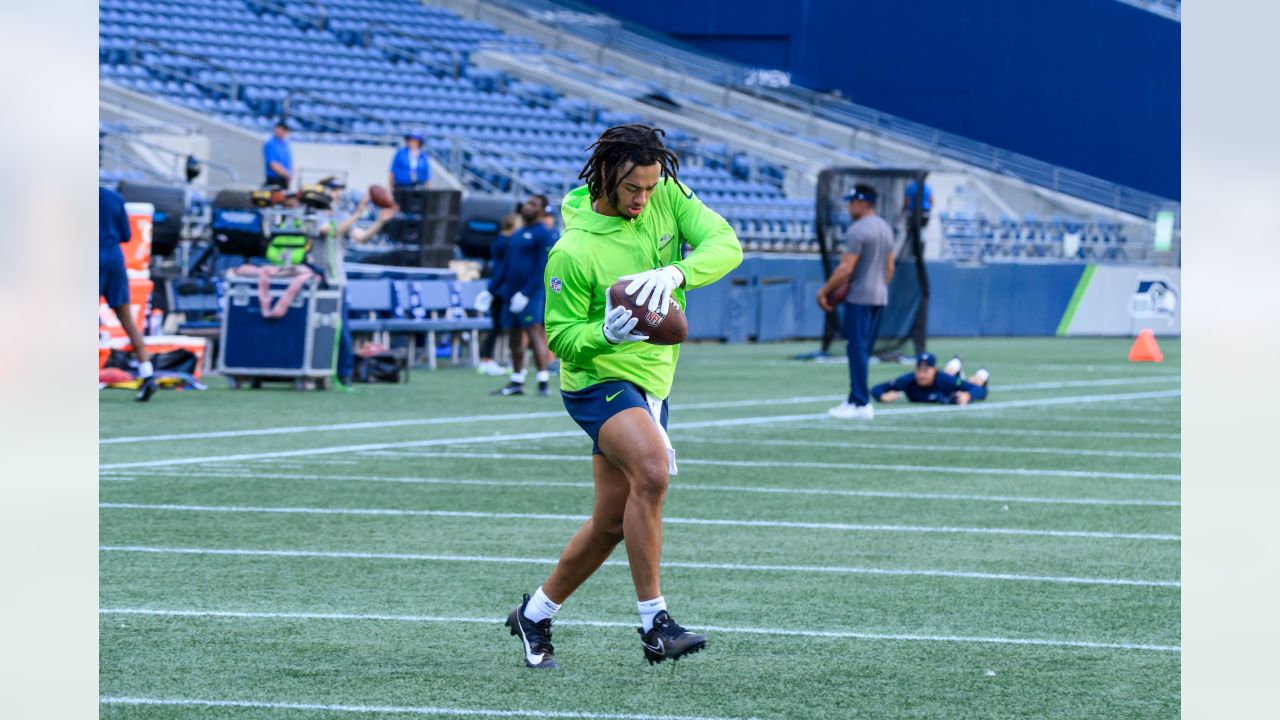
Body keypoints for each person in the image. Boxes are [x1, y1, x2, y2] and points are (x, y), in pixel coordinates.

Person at [505, 124, 742, 669]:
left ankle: (535, 614)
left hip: (652, 381)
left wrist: (677, 270)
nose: (644, 199)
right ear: (608, 178)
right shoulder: (572, 248)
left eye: (652, 187)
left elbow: (727, 245)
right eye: (634, 188)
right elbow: (561, 338)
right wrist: (607, 333)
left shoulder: (666, 196)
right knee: (654, 471)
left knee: (612, 522)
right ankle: (655, 624)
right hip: (597, 381)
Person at [818, 184, 896, 420]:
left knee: (856, 350)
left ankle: (861, 403)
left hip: (860, 297)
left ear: (863, 203)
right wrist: (880, 286)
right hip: (879, 296)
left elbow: (845, 268)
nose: (849, 207)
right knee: (862, 350)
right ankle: (854, 398)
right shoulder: (885, 227)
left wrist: (823, 291)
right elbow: (890, 267)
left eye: (852, 202)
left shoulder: (858, 229)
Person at [490, 195, 556, 397]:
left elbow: (543, 267)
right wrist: (491, 289)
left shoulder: (544, 234)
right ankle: (517, 381)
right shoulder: (518, 234)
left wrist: (527, 293)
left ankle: (543, 381)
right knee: (514, 337)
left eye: (533, 205)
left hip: (531, 294)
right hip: (511, 293)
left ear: (542, 210)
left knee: (534, 334)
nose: (528, 207)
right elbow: (505, 266)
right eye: (527, 203)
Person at [99, 186, 156, 402]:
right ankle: (147, 373)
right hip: (114, 258)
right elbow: (126, 235)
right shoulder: (114, 197)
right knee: (128, 322)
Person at [474, 212, 523, 377]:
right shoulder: (505, 243)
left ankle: (493, 359)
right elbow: (502, 269)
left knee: (500, 327)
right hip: (501, 290)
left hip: (500, 288)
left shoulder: (501, 241)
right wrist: (492, 289)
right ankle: (487, 359)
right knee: (497, 327)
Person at [873, 353, 990, 405]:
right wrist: (882, 397)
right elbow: (876, 388)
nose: (921, 375)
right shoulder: (908, 380)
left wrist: (967, 396)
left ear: (934, 370)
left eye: (926, 370)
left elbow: (979, 390)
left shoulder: (944, 380)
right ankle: (955, 364)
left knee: (973, 382)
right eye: (919, 370)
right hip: (947, 378)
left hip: (954, 382)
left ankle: (981, 373)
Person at [263, 120, 294, 190]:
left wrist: (290, 175)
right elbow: (273, 164)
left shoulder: (286, 144)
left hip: (284, 181)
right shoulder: (271, 144)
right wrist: (287, 175)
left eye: (286, 130)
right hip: (274, 181)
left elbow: (291, 163)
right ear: (277, 129)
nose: (285, 132)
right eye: (283, 129)